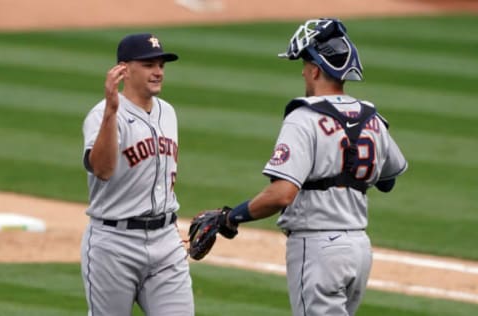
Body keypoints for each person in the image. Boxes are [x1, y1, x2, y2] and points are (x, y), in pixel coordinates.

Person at [211, 18, 408, 316]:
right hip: (359, 249)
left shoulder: (303, 118)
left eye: (304, 64)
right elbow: (389, 179)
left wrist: (232, 216)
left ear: (315, 69)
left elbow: (282, 194)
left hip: (318, 249)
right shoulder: (371, 118)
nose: (303, 71)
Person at [81, 33, 193, 316]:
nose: (157, 72)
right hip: (114, 244)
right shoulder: (100, 115)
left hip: (166, 241)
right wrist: (111, 112)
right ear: (124, 69)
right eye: (148, 65)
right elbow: (103, 170)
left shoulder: (168, 112)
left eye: (161, 65)